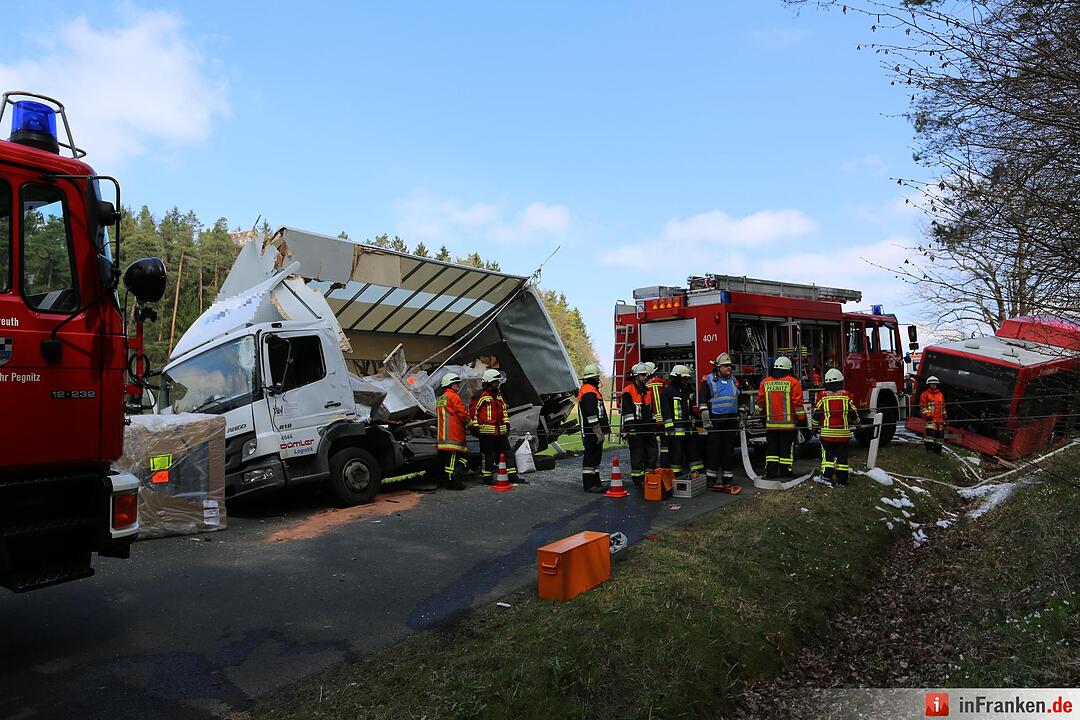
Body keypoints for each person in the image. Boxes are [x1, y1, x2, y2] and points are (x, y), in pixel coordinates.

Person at [756, 356, 807, 478]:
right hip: (788, 426)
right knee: (786, 449)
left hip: (771, 425)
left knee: (772, 450)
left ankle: (771, 471)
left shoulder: (765, 382)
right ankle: (785, 471)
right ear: (788, 369)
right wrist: (802, 419)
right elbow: (798, 404)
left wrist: (762, 417)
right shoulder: (793, 382)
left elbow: (761, 402)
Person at [699, 353, 742, 493]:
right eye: (726, 366)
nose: (729, 368)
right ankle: (711, 479)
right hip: (715, 421)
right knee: (714, 450)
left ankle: (727, 479)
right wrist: (705, 417)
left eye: (730, 366)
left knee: (728, 451)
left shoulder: (734, 380)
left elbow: (737, 399)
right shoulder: (708, 380)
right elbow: (703, 400)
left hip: (730, 421)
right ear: (718, 368)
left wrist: (740, 413)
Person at [470, 369, 521, 483]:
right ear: (489, 382)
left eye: (498, 382)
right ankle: (487, 477)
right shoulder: (480, 395)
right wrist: (475, 427)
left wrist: (506, 424)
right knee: (488, 455)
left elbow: (503, 412)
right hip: (486, 433)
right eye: (495, 382)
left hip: (500, 431)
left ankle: (512, 476)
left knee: (508, 453)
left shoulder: (498, 396)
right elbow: (473, 412)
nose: (498, 384)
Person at [812, 369, 861, 485]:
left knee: (827, 458)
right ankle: (842, 480)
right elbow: (853, 413)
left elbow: (817, 414)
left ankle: (826, 477)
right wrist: (858, 424)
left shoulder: (822, 396)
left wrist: (814, 426)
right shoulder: (847, 396)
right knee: (842, 458)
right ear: (840, 382)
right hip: (843, 435)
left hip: (827, 434)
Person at [620, 362, 658, 489]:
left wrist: (653, 427)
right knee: (637, 455)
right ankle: (638, 480)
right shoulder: (628, 391)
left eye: (645, 375)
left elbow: (651, 411)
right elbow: (628, 413)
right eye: (642, 375)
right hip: (635, 430)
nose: (645, 377)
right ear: (636, 376)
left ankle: (649, 478)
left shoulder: (648, 391)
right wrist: (631, 429)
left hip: (647, 429)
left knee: (652, 454)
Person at [578, 364, 610, 493]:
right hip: (592, 431)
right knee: (591, 458)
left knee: (595, 458)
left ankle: (595, 482)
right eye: (597, 377)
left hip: (593, 431)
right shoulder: (589, 392)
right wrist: (598, 433)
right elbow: (591, 415)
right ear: (595, 377)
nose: (598, 379)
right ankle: (590, 485)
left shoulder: (590, 390)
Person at [435, 372, 469, 490]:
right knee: (455, 460)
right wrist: (471, 423)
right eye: (456, 384)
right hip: (453, 435)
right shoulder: (454, 397)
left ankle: (447, 481)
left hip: (443, 435)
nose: (458, 386)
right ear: (450, 385)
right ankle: (454, 481)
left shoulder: (441, 398)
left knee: (447, 461)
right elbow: (462, 414)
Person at [661, 365, 695, 477]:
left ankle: (696, 472)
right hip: (674, 431)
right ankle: (676, 475)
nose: (686, 381)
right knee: (676, 454)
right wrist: (669, 427)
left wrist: (691, 424)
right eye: (684, 378)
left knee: (692, 452)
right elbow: (665, 410)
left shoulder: (684, 391)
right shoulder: (667, 392)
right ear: (677, 377)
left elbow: (688, 410)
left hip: (687, 430)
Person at [645, 361, 669, 468]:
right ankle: (664, 465)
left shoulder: (645, 385)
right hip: (663, 419)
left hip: (652, 419)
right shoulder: (661, 382)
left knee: (652, 444)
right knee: (665, 444)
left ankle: (652, 466)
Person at [919, 375, 947, 454]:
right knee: (929, 436)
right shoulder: (924, 394)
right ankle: (929, 450)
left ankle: (938, 451)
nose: (933, 385)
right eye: (932, 384)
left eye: (935, 384)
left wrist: (945, 415)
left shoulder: (940, 394)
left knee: (940, 436)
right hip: (930, 419)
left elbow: (943, 406)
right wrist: (927, 415)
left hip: (940, 420)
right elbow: (922, 406)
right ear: (929, 385)